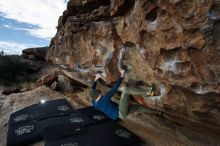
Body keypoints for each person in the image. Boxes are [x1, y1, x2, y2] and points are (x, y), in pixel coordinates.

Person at [90, 69, 157, 120]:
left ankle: (156, 112)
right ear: (98, 94)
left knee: (138, 107)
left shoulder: (94, 103)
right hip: (120, 112)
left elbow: (92, 89)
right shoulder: (104, 99)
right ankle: (150, 92)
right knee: (126, 90)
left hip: (119, 116)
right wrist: (122, 75)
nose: (101, 93)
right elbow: (114, 89)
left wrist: (96, 79)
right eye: (100, 92)